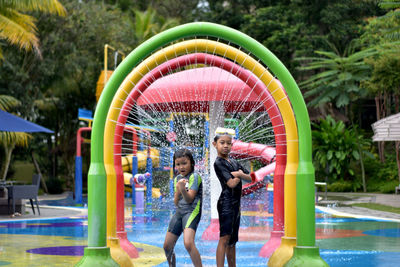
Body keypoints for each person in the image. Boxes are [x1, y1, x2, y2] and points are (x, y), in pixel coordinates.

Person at [213, 132, 254, 267]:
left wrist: (240, 174)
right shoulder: (218, 163)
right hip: (226, 203)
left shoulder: (235, 162)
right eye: (222, 143)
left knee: (233, 240)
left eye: (228, 143)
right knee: (224, 237)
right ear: (215, 145)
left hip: (236, 204)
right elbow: (231, 183)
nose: (225, 146)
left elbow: (251, 177)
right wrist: (239, 176)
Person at [163, 148, 203, 267]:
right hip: (179, 213)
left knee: (188, 243)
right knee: (167, 246)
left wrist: (182, 189)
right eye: (178, 164)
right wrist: (178, 190)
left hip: (192, 212)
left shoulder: (195, 177)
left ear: (191, 163)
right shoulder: (177, 179)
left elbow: (190, 198)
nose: (181, 167)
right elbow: (176, 202)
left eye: (184, 163)